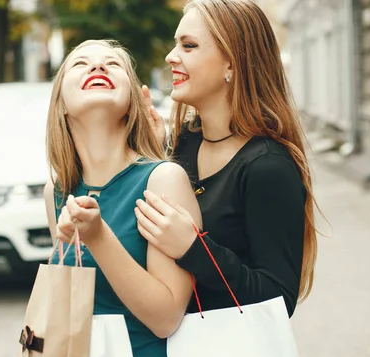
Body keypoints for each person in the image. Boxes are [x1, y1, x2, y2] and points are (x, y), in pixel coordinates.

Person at [136, 0, 319, 318]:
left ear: (231, 65)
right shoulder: (186, 143)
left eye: (188, 46)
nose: (171, 56)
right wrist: (154, 154)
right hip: (172, 353)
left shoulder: (268, 167)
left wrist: (194, 249)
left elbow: (278, 299)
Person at [41, 39, 201, 357]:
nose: (97, 67)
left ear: (132, 101)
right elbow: (73, 304)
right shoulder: (54, 190)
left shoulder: (163, 180)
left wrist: (97, 236)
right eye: (80, 64)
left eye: (112, 64)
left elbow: (165, 319)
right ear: (61, 105)